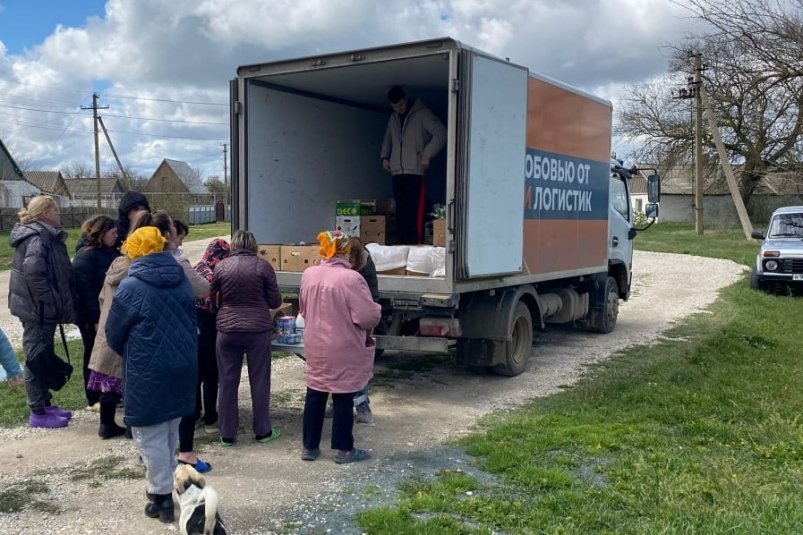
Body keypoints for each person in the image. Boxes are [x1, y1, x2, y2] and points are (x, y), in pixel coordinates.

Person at [105, 226, 198, 524]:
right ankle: (163, 488)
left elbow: (114, 333)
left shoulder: (131, 286)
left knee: (150, 435)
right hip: (182, 364)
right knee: (170, 428)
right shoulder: (181, 278)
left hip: (149, 367)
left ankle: (160, 497)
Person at [299, 231, 381, 463]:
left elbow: (303, 309)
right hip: (343, 345)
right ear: (345, 251)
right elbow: (367, 317)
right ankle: (344, 449)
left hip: (315, 344)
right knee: (343, 395)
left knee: (315, 392)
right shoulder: (352, 279)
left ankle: (310, 447)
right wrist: (377, 310)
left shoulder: (309, 274)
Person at [87, 211, 170, 439]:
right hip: (128, 329)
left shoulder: (116, 264)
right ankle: (132, 426)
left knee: (109, 379)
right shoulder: (138, 270)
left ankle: (106, 424)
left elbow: (103, 296)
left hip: (109, 326)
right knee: (132, 379)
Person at [8, 195, 77, 429]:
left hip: (41, 309)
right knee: (35, 358)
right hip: (36, 310)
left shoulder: (45, 235)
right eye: (56, 210)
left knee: (43, 354)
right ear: (45, 213)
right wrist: (53, 300)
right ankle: (37, 409)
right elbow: (35, 276)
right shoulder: (38, 238)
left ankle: (46, 404)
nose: (59, 214)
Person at [211, 230, 282, 447]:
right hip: (257, 329)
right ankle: (262, 430)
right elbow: (274, 301)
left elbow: (213, 298)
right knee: (259, 380)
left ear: (233, 245)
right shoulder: (263, 266)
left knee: (227, 381)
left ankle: (227, 433)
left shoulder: (221, 266)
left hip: (227, 329)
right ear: (253, 246)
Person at [380, 85, 446, 244]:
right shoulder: (393, 117)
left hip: (415, 173)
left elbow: (441, 133)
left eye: (400, 105)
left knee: (414, 215)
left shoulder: (422, 114)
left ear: (406, 98)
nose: (398, 109)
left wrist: (427, 154)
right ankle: (403, 248)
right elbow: (388, 137)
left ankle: (415, 248)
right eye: (394, 107)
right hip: (397, 173)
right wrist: (384, 157)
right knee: (401, 215)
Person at [72, 215, 120, 411]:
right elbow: (85, 291)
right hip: (91, 316)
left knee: (107, 355)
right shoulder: (86, 256)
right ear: (101, 233)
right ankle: (93, 397)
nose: (116, 236)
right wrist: (95, 318)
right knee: (92, 354)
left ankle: (108, 394)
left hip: (106, 312)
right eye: (112, 233)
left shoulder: (108, 252)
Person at [192, 239, 231, 437]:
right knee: (211, 374)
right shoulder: (216, 273)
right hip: (210, 325)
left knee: (195, 373)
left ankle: (194, 413)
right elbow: (214, 303)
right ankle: (210, 418)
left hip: (193, 325)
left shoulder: (195, 266)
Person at [348, 237, 379, 425]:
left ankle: (363, 409)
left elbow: (370, 300)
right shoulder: (352, 265)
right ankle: (339, 405)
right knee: (342, 366)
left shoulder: (364, 267)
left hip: (362, 319)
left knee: (358, 365)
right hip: (348, 319)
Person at [75, 191, 150, 251]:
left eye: (143, 209)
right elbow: (87, 242)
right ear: (126, 211)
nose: (141, 213)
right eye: (136, 209)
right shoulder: (115, 229)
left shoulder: (151, 228)